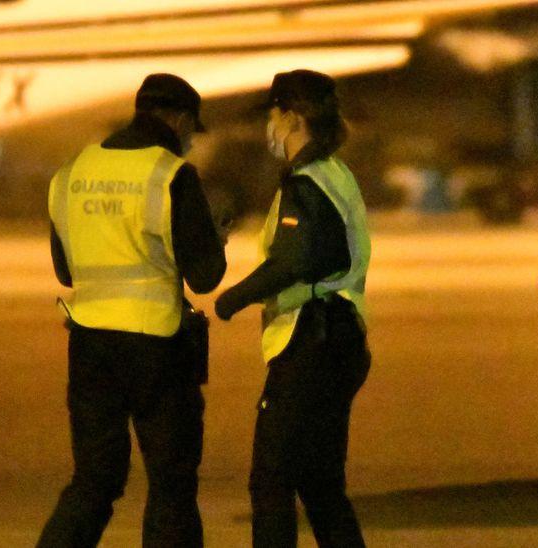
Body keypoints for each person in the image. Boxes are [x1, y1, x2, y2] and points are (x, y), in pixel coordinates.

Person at [39, 73, 227, 548]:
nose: (189, 141)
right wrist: (212, 240)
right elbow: (205, 276)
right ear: (180, 120)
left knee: (94, 483)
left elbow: (66, 270)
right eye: (191, 130)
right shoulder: (169, 175)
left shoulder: (72, 172)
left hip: (89, 346)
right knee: (171, 484)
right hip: (156, 347)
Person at [214, 70, 372, 548]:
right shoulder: (336, 173)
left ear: (293, 117)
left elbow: (295, 259)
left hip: (310, 342)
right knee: (322, 485)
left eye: (272, 114)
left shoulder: (305, 183)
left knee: (271, 480)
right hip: (343, 336)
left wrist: (232, 298)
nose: (269, 126)